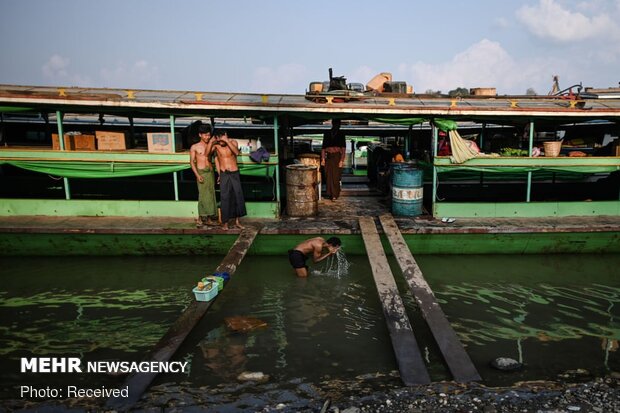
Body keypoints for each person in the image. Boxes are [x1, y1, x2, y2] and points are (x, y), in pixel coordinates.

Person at [211, 129, 246, 230]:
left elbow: (236, 152)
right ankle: (225, 223)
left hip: (234, 173)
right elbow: (210, 156)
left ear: (225, 135)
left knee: (237, 196)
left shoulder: (233, 142)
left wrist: (226, 141)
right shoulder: (216, 145)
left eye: (221, 138)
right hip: (224, 173)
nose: (220, 141)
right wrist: (219, 174)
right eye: (218, 139)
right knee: (225, 197)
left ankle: (237, 222)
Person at [190, 123, 217, 227]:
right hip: (201, 172)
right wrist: (197, 175)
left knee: (210, 194)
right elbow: (192, 162)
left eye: (208, 135)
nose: (207, 137)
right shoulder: (195, 147)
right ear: (200, 135)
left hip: (210, 172)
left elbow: (216, 159)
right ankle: (201, 218)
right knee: (202, 195)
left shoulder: (211, 145)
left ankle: (209, 218)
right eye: (205, 135)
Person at [321, 119, 346, 201]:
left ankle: (335, 194)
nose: (337, 126)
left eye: (338, 125)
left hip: (337, 157)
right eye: (335, 124)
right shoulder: (327, 133)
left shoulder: (341, 134)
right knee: (328, 176)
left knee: (336, 176)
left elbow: (343, 148)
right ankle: (330, 193)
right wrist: (323, 159)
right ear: (332, 124)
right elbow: (323, 148)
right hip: (328, 156)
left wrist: (341, 160)